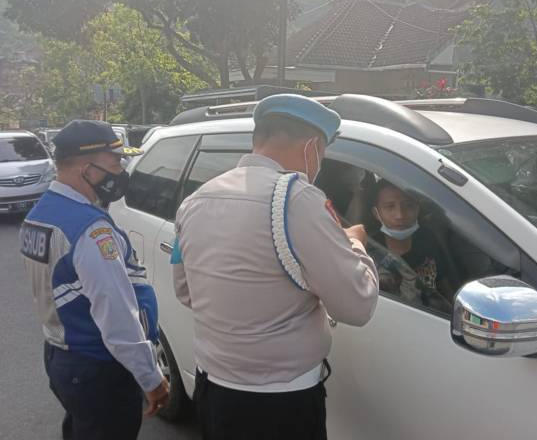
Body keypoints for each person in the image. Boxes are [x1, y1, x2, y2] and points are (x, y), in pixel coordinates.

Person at [171, 94, 379, 440]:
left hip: (213, 393)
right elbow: (357, 306)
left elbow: (185, 289)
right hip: (280, 406)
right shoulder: (298, 199)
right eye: (322, 154)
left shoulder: (196, 200)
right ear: (312, 147)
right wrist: (354, 242)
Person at [19, 120, 169, 440]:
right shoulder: (89, 229)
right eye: (115, 163)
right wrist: (151, 379)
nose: (121, 171)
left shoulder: (40, 214)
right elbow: (116, 316)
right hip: (97, 365)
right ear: (86, 168)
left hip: (62, 356)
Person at [367, 178, 452, 312]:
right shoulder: (369, 250)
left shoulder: (427, 239)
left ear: (418, 209)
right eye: (390, 207)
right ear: (376, 213)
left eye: (409, 205)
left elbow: (444, 284)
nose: (400, 215)